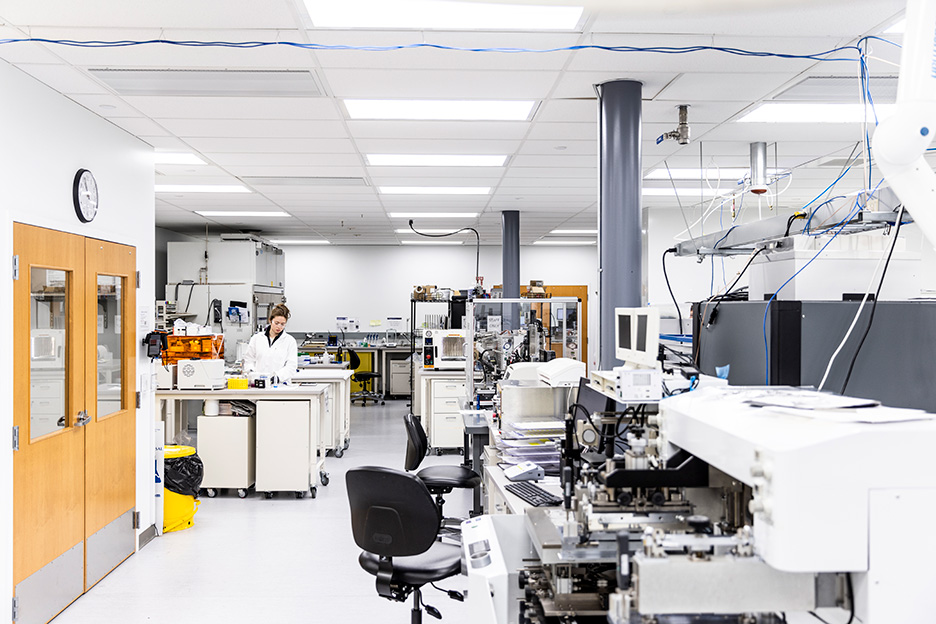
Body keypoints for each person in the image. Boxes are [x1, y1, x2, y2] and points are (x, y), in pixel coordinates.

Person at [243, 303, 298, 385]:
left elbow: (291, 366)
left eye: (282, 324)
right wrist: (252, 373)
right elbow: (249, 360)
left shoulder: (290, 341)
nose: (279, 327)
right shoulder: (257, 338)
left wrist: (276, 377)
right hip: (258, 384)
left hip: (280, 385)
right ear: (270, 321)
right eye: (276, 323)